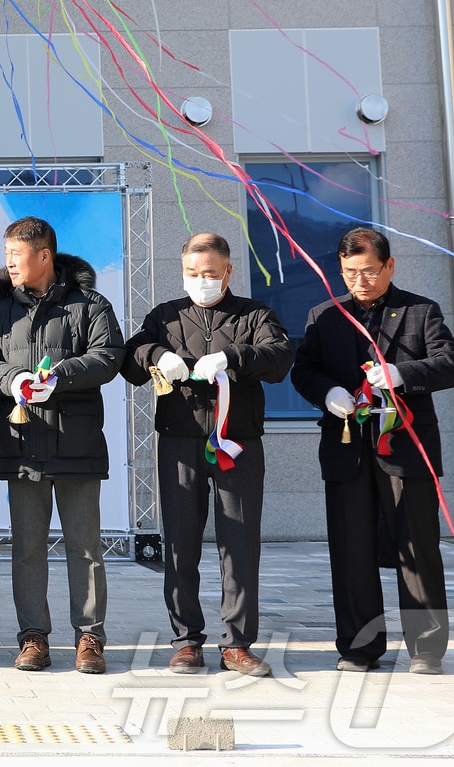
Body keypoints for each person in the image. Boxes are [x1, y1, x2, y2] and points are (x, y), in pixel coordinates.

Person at [290, 228, 454, 675]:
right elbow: (303, 369)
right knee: (351, 552)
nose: (360, 280)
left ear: (389, 265)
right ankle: (358, 648)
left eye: (369, 270)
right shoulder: (324, 315)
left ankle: (426, 649)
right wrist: (327, 391)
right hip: (347, 449)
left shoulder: (419, 311)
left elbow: (452, 364)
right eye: (351, 272)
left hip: (406, 450)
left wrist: (402, 373)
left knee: (417, 548)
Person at [122, 233, 294, 676]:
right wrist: (158, 354)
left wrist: (232, 357)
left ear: (228, 272)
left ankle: (236, 643)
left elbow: (279, 357)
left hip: (237, 443)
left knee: (239, 543)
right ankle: (186, 641)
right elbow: (130, 356)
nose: (202, 281)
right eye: (193, 274)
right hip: (179, 441)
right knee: (179, 543)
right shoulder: (165, 315)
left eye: (210, 274)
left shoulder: (255, 314)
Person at [0, 216, 122, 675]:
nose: (10, 264)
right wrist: (12, 379)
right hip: (22, 444)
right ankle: (33, 637)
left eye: (17, 256)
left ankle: (89, 637)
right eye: (7, 256)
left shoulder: (89, 304)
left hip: (77, 444)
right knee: (28, 548)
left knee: (85, 547)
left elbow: (109, 355)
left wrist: (60, 377)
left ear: (44, 256)